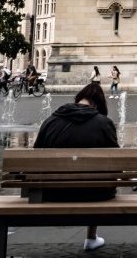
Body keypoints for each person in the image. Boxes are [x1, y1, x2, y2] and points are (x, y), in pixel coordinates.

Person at [34, 82, 117, 251]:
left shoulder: (50, 121)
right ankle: (91, 237)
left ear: (78, 99)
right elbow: (116, 161)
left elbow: (35, 156)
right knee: (95, 180)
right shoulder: (103, 122)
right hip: (96, 194)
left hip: (52, 192)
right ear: (97, 104)